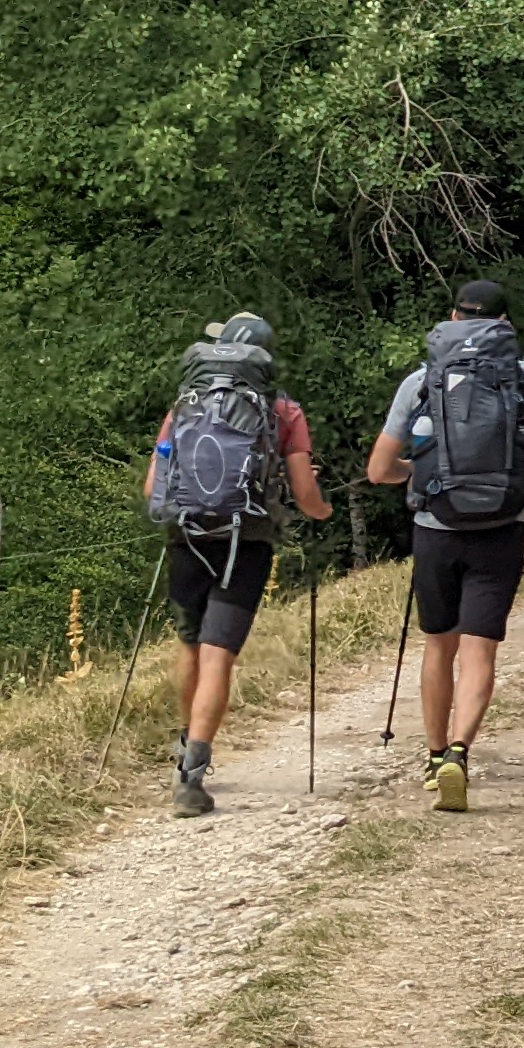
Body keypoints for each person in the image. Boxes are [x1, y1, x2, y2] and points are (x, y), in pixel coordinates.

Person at [367, 277, 524, 811]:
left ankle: (432, 752)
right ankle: (460, 754)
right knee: (480, 649)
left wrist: (423, 474)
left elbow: (378, 471)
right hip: (502, 528)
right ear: (505, 325)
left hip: (436, 529)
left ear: (452, 317)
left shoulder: (421, 380)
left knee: (439, 645)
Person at [143, 311, 334, 817]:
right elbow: (306, 494)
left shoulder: (185, 404)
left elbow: (153, 486)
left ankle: (186, 747)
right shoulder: (284, 411)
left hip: (185, 537)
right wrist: (322, 509)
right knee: (218, 654)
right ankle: (193, 777)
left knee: (190, 645)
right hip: (244, 544)